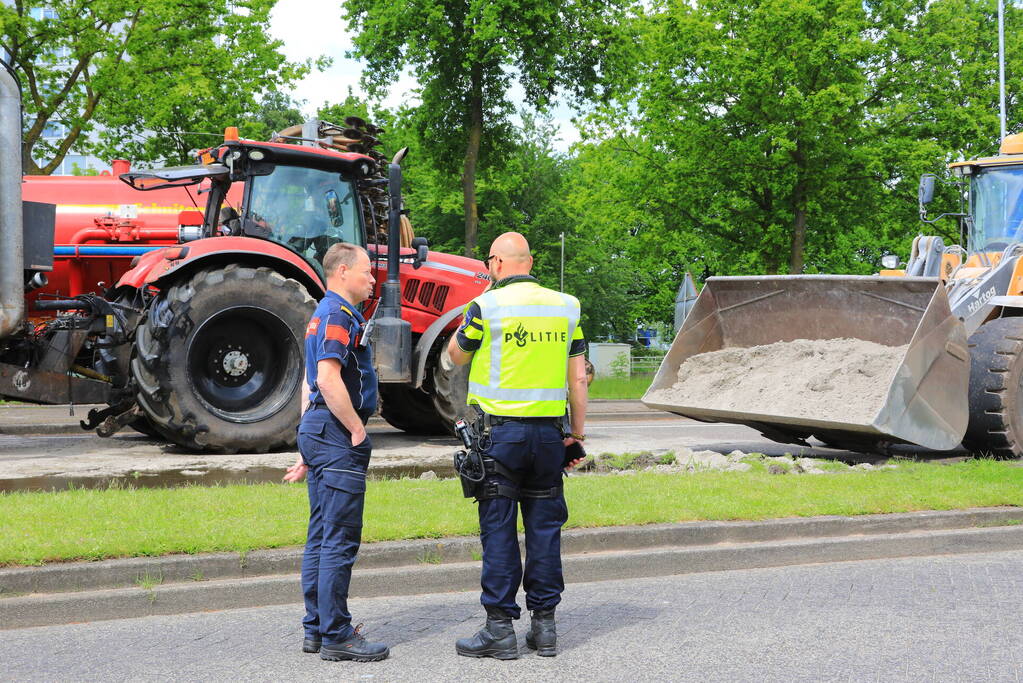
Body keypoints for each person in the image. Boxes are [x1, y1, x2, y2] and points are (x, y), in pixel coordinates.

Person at [446, 231, 588, 660]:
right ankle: (544, 628)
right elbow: (578, 378)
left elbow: (456, 356)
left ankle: (500, 630)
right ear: (530, 261)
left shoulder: (486, 306)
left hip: (499, 438)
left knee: (500, 531)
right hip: (548, 437)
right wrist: (576, 436)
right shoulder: (566, 307)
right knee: (545, 531)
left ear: (495, 264)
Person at [282, 242, 389, 663]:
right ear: (342, 271)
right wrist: (356, 429)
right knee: (339, 541)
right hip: (336, 433)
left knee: (322, 535)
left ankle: (317, 629)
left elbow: (308, 383)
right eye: (365, 270)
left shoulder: (325, 314)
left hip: (320, 430)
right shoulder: (337, 315)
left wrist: (308, 442)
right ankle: (337, 635)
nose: (371, 278)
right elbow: (326, 379)